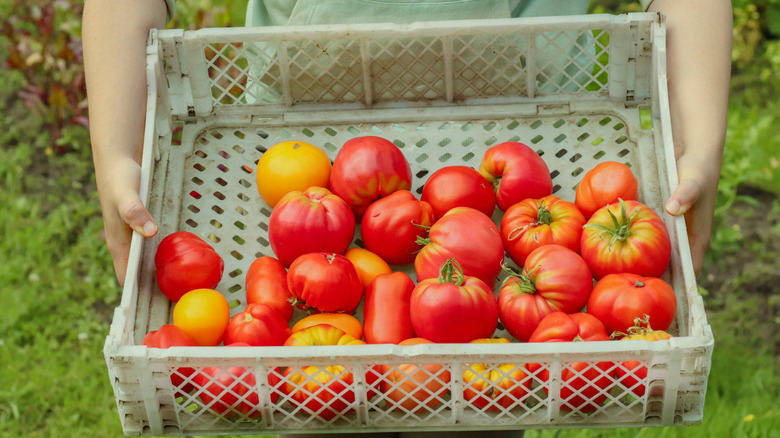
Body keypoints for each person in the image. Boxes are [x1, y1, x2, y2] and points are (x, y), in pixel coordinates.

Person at [83, 0, 731, 436]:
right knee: (324, 402)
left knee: (485, 400)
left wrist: (700, 145)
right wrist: (115, 154)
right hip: (301, 127)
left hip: (531, 123)